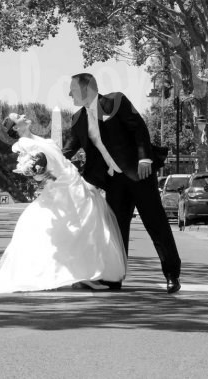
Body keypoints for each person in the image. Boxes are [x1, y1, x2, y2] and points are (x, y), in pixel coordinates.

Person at [0, 113, 127, 294]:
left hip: (73, 182)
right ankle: (72, 273)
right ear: (15, 128)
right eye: (18, 116)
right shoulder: (24, 145)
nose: (24, 115)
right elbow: (34, 173)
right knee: (76, 227)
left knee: (88, 225)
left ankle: (86, 273)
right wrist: (40, 173)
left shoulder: (40, 140)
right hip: (62, 189)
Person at [64, 73, 182, 294]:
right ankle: (113, 278)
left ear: (86, 89)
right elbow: (67, 150)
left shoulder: (115, 101)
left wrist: (145, 157)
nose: (69, 93)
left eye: (72, 89)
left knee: (155, 224)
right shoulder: (78, 119)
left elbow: (139, 128)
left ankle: (172, 275)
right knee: (116, 231)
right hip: (113, 181)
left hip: (139, 174)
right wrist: (42, 161)